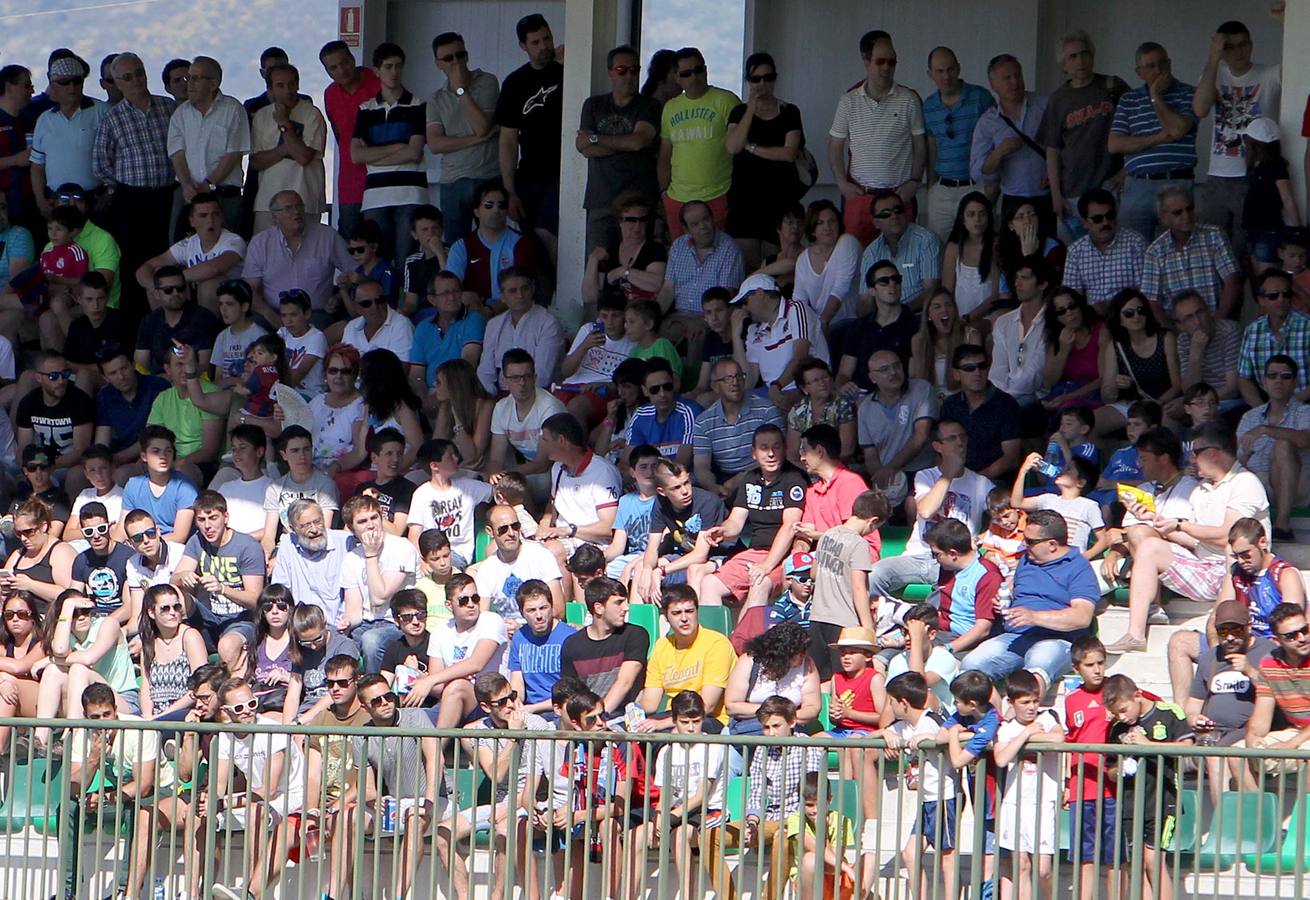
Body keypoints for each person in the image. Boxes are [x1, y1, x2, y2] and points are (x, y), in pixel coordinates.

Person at [1107, 421, 1271, 653]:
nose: (1191, 459)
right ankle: (1135, 634)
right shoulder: (1203, 488)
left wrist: (1180, 525)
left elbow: (1230, 538)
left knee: (1154, 545)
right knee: (1149, 544)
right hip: (1204, 566)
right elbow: (1195, 541)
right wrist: (1156, 521)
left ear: (1213, 453)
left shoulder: (1245, 483)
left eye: (1195, 452)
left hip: (1234, 572)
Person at [962, 509, 1098, 690]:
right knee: (970, 667)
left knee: (1034, 672)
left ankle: (1025, 717)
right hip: (1016, 636)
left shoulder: (1078, 568)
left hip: (1056, 638)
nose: (1024, 545)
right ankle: (991, 716)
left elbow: (1082, 617)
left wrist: (1034, 617)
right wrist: (1003, 600)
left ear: (1052, 544)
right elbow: (1014, 589)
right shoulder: (1027, 561)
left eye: (1031, 542)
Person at [63, 682, 169, 900]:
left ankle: (124, 890)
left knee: (136, 808)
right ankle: (69, 891)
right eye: (95, 717)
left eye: (107, 714)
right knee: (68, 807)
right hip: (119, 793)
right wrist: (93, 759)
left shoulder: (140, 729)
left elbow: (144, 785)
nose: (102, 722)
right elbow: (73, 787)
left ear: (115, 711)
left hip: (160, 793)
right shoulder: (82, 734)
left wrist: (104, 798)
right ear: (85, 716)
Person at [91, 52, 176, 318]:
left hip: (167, 196)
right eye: (127, 77)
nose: (136, 80)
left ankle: (170, 317)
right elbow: (100, 163)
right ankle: (138, 327)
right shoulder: (113, 118)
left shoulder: (169, 107)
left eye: (139, 73)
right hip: (132, 201)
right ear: (116, 82)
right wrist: (122, 187)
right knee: (133, 264)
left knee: (168, 259)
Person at [208, 677, 305, 900]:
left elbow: (270, 790)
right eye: (239, 708)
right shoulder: (225, 735)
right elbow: (220, 785)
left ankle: (251, 892)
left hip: (292, 794)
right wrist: (209, 803)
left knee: (255, 811)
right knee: (198, 814)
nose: (247, 712)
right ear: (225, 711)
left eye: (251, 704)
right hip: (259, 796)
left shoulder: (273, 730)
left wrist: (224, 802)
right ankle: (197, 893)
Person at [827, 30, 924, 246]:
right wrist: (841, 183)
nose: (886, 67)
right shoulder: (849, 101)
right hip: (860, 197)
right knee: (856, 261)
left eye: (892, 62)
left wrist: (915, 182)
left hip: (899, 196)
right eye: (880, 61)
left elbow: (920, 145)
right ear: (866, 61)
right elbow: (835, 146)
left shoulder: (909, 100)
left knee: (903, 260)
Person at [1193, 20, 1282, 256]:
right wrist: (1213, 58)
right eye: (1230, 47)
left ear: (1251, 45)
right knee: (1212, 251)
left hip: (1254, 176)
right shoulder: (1215, 73)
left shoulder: (1270, 74)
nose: (1238, 52)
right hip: (1217, 176)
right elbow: (1200, 109)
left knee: (1246, 251)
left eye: (1243, 45)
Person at [1105, 674, 1192, 900]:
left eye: (1124, 710)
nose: (1121, 717)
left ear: (1137, 695)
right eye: (1116, 713)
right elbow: (1111, 773)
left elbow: (1187, 748)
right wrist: (1122, 764)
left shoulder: (1169, 712)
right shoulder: (1117, 727)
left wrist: (1148, 745)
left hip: (1163, 801)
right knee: (1138, 864)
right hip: (1131, 804)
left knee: (1154, 862)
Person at [1040, 32, 1128, 240]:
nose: (1080, 61)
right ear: (1063, 64)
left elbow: (1139, 128)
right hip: (1073, 191)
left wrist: (1127, 170)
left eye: (1085, 54)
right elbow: (1052, 150)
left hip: (1110, 187)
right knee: (1077, 256)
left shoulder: (1113, 86)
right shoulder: (1058, 99)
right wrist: (1056, 195)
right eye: (1072, 56)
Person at [1109, 41, 1199, 241]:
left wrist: (1155, 97)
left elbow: (1177, 129)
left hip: (1178, 182)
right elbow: (1114, 144)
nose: (1158, 70)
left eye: (1162, 63)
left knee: (1180, 250)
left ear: (1170, 63)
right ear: (1139, 72)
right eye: (1150, 66)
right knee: (1134, 250)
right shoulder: (1128, 100)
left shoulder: (1189, 93)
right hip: (1139, 185)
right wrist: (1157, 138)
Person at [348, 42, 426, 270]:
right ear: (377, 70)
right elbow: (355, 155)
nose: (394, 72)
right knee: (376, 262)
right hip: (376, 196)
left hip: (410, 194)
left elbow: (414, 152)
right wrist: (397, 147)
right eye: (388, 66)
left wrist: (372, 155)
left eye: (398, 66)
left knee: (406, 261)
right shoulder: (365, 109)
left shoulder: (418, 105)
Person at [171, 490, 265, 672]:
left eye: (213, 518)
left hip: (242, 618)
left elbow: (256, 601)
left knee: (227, 645)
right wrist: (182, 577)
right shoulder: (197, 541)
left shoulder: (247, 546)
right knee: (172, 593)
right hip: (209, 615)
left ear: (225, 517)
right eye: (201, 520)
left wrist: (223, 589)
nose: (207, 526)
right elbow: (173, 579)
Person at [577, 45, 660, 251]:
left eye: (634, 70)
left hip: (639, 201)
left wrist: (596, 138)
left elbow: (638, 141)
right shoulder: (593, 105)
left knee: (637, 266)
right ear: (610, 72)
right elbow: (583, 147)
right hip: (601, 200)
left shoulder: (650, 106)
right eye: (622, 70)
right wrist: (627, 143)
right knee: (598, 265)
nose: (629, 76)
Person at [724, 52, 804, 265]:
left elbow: (788, 153)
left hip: (778, 199)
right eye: (755, 79)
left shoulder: (789, 112)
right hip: (745, 200)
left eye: (768, 78)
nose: (762, 83)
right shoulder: (738, 112)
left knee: (778, 263)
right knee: (746, 267)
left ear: (775, 79)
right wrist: (751, 109)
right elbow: (732, 146)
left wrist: (751, 148)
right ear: (748, 81)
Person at [34, 588, 137, 751]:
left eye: (85, 611)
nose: (81, 616)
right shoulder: (66, 634)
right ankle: (39, 739)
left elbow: (90, 658)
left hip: (121, 701)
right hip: (89, 704)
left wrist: (51, 659)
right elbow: (60, 649)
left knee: (78, 669)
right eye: (74, 613)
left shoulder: (108, 624)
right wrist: (67, 607)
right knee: (53, 671)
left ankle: (69, 737)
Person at [994, 669, 1065, 900]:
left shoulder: (1048, 717)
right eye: (1025, 702)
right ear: (1012, 702)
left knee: (1043, 869)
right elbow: (1002, 758)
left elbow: (1057, 737)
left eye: (1035, 700)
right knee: (1021, 865)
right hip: (1015, 803)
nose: (1032, 707)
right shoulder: (1007, 728)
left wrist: (1027, 737)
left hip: (1044, 802)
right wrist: (1026, 734)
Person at [495, 13, 563, 252]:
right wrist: (510, 190)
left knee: (548, 233)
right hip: (531, 173)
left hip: (564, 172)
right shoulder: (515, 82)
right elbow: (508, 139)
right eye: (536, 42)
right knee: (529, 240)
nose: (544, 46)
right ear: (523, 46)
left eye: (547, 38)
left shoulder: (569, 72)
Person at [883, 673, 954, 900]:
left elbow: (950, 734)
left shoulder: (931, 720)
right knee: (910, 854)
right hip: (926, 799)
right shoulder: (903, 725)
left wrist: (930, 738)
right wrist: (885, 733)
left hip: (944, 797)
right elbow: (875, 733)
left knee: (947, 857)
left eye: (891, 702)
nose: (890, 706)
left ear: (903, 702)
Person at [656, 46, 738, 241]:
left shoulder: (726, 100)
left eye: (698, 70)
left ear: (706, 70)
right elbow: (665, 154)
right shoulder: (670, 107)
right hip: (678, 198)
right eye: (686, 73)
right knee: (682, 257)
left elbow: (740, 146)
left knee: (717, 255)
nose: (693, 77)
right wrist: (663, 193)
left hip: (717, 194)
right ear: (676, 77)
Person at [425, 32, 499, 243]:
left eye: (460, 54)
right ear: (438, 64)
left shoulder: (487, 81)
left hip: (489, 176)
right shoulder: (436, 99)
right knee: (458, 247)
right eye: (448, 58)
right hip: (453, 182)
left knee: (493, 242)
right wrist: (476, 140)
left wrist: (460, 91)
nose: (456, 61)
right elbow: (435, 144)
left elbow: (482, 127)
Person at [243, 189, 356, 319]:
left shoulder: (327, 236)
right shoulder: (260, 243)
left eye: (299, 206)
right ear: (275, 217)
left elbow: (355, 271)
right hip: (274, 314)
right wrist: (271, 316)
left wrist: (339, 296)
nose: (296, 212)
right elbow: (250, 290)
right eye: (288, 208)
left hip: (315, 314)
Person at [340, 494, 421, 673]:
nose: (370, 524)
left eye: (374, 517)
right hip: (365, 623)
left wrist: (371, 555)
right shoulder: (351, 558)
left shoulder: (401, 547)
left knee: (371, 641)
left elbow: (380, 596)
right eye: (362, 521)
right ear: (352, 529)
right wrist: (343, 625)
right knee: (337, 644)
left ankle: (375, 693)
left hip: (398, 622)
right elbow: (354, 612)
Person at [166, 56, 249, 231]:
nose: (189, 83)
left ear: (213, 84)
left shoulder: (233, 109)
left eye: (195, 78)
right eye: (189, 78)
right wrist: (187, 185)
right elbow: (177, 154)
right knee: (181, 251)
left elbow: (233, 153)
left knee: (230, 251)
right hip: (188, 196)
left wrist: (208, 185)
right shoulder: (180, 114)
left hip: (225, 196)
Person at [922, 47, 996, 242]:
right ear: (930, 74)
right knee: (937, 248)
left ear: (959, 68)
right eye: (940, 71)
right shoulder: (928, 106)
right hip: (942, 190)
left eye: (950, 69)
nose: (946, 76)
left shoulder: (981, 97)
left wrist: (993, 183)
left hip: (976, 187)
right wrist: (930, 186)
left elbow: (995, 140)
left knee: (978, 246)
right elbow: (932, 147)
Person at [638, 584, 735, 729]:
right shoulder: (661, 646)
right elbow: (650, 704)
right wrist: (633, 712)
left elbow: (707, 705)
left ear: (697, 612)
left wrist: (661, 724)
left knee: (666, 737)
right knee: (625, 735)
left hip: (707, 719)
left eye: (689, 611)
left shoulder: (716, 643)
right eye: (676, 613)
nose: (684, 618)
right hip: (671, 715)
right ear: (666, 617)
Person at [970, 55, 1050, 230]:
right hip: (1013, 200)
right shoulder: (987, 122)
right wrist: (998, 153)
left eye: (1018, 75)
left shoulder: (1045, 106)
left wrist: (1056, 172)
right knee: (1013, 254)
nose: (1015, 82)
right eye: (1007, 78)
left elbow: (1065, 145)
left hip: (1047, 196)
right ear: (993, 85)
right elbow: (977, 172)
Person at [1141, 184, 1242, 322]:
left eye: (1189, 209)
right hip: (1178, 332)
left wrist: (1218, 322)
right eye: (1178, 212)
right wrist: (1173, 333)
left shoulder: (1214, 236)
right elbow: (1152, 302)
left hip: (1217, 322)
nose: (1186, 216)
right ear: (1164, 217)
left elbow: (1232, 281)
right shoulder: (1154, 252)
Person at [1236, 354, 1310, 541]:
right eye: (1273, 375)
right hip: (1260, 487)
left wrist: (1264, 430)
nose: (1279, 380)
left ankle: (1282, 525)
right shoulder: (1249, 417)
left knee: (1283, 445)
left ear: (1294, 382)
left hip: (1298, 488)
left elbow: (1305, 440)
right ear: (1264, 382)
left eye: (1285, 376)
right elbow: (1241, 459)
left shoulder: (1305, 411)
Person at [249, 63, 327, 234]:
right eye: (280, 85)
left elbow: (304, 157)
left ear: (298, 84)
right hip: (268, 202)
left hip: (305, 200)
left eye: (291, 84)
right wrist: (286, 148)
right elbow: (255, 161)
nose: (288, 90)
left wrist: (284, 124)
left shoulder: (312, 114)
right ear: (270, 89)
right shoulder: (261, 116)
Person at [137, 195, 246, 317]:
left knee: (208, 285)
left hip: (232, 303)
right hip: (195, 299)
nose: (210, 220)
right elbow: (148, 266)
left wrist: (171, 281)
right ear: (192, 221)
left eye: (215, 214)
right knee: (157, 276)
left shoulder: (234, 240)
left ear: (222, 217)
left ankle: (206, 333)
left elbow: (216, 268)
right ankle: (166, 330)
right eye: (203, 216)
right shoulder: (188, 243)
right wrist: (154, 286)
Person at [30, 56, 108, 218]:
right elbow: (37, 166)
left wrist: (110, 192)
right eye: (65, 82)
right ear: (52, 85)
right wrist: (40, 201)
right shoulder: (45, 120)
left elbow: (119, 155)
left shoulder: (101, 111)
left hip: (95, 201)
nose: (71, 87)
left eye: (77, 81)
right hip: (57, 202)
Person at [560, 577, 648, 716]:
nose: (626, 608)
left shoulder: (636, 635)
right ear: (599, 608)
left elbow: (625, 682)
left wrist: (597, 718)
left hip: (623, 718)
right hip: (586, 720)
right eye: (618, 603)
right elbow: (570, 694)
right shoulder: (572, 645)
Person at [320, 40, 381, 239]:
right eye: (333, 68)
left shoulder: (378, 81)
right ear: (328, 72)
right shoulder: (330, 94)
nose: (341, 70)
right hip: (349, 181)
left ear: (353, 59)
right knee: (350, 242)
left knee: (381, 240)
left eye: (344, 62)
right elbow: (339, 135)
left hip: (381, 176)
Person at [476, 267, 565, 393]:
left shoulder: (548, 323)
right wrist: (490, 399)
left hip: (539, 395)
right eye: (513, 291)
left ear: (532, 289)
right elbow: (485, 373)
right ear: (502, 296)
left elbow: (543, 376)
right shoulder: (493, 325)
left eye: (525, 288)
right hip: (500, 395)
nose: (520, 295)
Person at [835, 260, 918, 394]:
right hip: (860, 397)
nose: (892, 284)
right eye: (884, 281)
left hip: (899, 397)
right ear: (872, 290)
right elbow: (844, 373)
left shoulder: (915, 325)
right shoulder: (858, 327)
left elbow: (915, 378)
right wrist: (843, 387)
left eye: (896, 279)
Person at [659, 199, 745, 323]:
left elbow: (726, 295)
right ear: (686, 230)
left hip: (711, 320)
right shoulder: (678, 245)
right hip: (678, 317)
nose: (703, 226)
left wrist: (700, 322)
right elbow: (668, 289)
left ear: (712, 218)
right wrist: (655, 318)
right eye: (695, 224)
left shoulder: (729, 248)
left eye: (706, 219)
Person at [1061, 190, 1147, 310]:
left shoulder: (1135, 243)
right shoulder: (1075, 251)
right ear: (1085, 223)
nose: (1105, 222)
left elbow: (1144, 291)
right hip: (1093, 319)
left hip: (1130, 316)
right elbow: (1071, 297)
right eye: (1097, 219)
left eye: (1110, 215)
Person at [14, 350, 94, 478]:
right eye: (53, 376)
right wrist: (31, 467)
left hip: (66, 466)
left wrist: (47, 466)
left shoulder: (80, 401)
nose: (61, 381)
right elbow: (23, 447)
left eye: (65, 374)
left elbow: (81, 451)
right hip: (36, 464)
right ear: (39, 377)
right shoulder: (28, 402)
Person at [1237, 269, 1310, 408]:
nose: (1281, 299)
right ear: (1261, 300)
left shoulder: (1308, 326)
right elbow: (1243, 378)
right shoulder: (1252, 331)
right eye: (1273, 296)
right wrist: (1261, 410)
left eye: (1286, 294)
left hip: (1305, 404)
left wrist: (1291, 405)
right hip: (1266, 405)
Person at [859, 191, 942, 310]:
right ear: (876, 223)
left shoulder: (926, 240)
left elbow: (932, 290)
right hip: (884, 318)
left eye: (898, 210)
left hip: (919, 315)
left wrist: (900, 314)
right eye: (886, 214)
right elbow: (865, 300)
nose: (894, 216)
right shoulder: (871, 252)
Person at [792, 199, 860, 328]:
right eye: (820, 223)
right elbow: (799, 300)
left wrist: (822, 325)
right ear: (812, 230)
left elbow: (840, 289)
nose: (827, 227)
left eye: (832, 221)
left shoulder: (847, 242)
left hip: (849, 323)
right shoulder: (803, 259)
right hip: (818, 325)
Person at [69, 500, 134, 628]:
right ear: (82, 532)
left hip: (120, 622)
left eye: (101, 529)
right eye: (89, 531)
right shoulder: (81, 560)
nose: (96, 535)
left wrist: (102, 626)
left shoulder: (128, 557)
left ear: (109, 526)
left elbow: (129, 607)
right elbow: (73, 599)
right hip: (92, 620)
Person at [940, 194, 1001, 320]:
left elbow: (996, 295)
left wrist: (969, 318)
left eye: (982, 214)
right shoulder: (954, 248)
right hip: (958, 319)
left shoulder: (996, 246)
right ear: (962, 219)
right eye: (971, 214)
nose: (977, 219)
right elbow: (947, 290)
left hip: (989, 319)